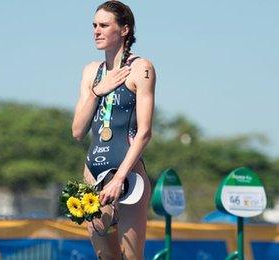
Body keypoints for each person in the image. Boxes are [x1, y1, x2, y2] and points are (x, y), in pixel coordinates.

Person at [71, 1, 156, 259]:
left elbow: (144, 133)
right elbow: (77, 131)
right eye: (94, 25)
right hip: (93, 174)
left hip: (128, 177)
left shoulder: (141, 69)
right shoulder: (90, 72)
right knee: (105, 256)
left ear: (124, 29)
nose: (96, 31)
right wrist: (99, 90)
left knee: (131, 256)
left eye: (104, 25)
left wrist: (119, 177)